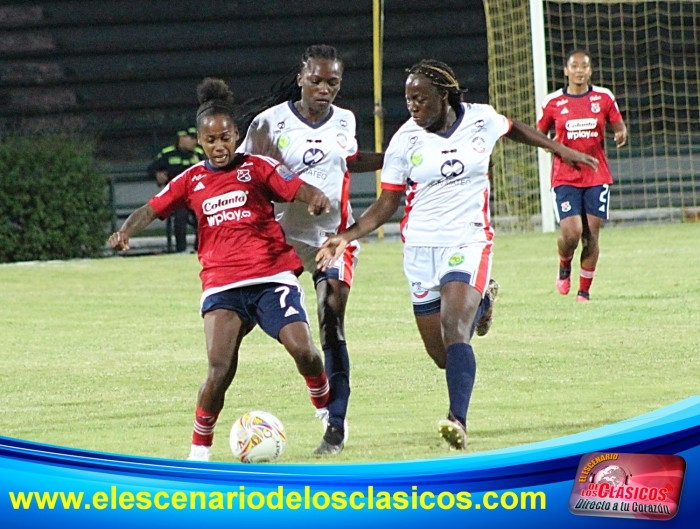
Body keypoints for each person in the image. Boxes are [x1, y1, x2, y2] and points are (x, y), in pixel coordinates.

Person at [316, 59, 598, 450]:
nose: (413, 106)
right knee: (443, 356)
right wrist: (344, 237)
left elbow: (514, 128)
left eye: (420, 98)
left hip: (468, 241)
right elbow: (386, 204)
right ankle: (484, 304)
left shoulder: (481, 118)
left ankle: (457, 421)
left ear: (444, 96)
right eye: (409, 99)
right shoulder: (405, 140)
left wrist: (559, 149)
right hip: (420, 250)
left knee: (455, 330)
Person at [109, 77, 334, 462]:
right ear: (200, 140)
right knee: (219, 369)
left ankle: (326, 407)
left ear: (236, 136)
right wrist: (126, 231)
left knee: (305, 351)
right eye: (211, 140)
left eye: (226, 138)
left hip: (271, 276)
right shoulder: (191, 180)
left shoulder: (257, 167)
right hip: (223, 285)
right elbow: (152, 207)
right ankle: (199, 450)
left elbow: (296, 186)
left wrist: (314, 197)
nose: (219, 146)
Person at [236, 45, 384, 455]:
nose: (324, 89)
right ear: (301, 77)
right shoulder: (269, 123)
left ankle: (335, 424)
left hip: (331, 238)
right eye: (316, 80)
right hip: (279, 238)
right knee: (238, 322)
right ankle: (203, 431)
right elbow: (247, 175)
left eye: (332, 82)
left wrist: (393, 160)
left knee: (330, 321)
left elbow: (348, 160)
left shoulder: (345, 119)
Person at [537, 49, 627, 302]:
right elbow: (539, 135)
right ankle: (564, 263)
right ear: (566, 70)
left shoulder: (603, 97)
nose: (579, 71)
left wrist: (620, 133)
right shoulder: (553, 102)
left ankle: (583, 293)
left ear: (590, 70)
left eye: (584, 66)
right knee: (572, 233)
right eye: (574, 66)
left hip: (596, 176)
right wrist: (555, 148)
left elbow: (619, 125)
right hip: (565, 177)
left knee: (591, 236)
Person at [147, 127, 205, 252]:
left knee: (203, 214)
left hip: (196, 195)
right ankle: (181, 250)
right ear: (181, 138)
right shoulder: (168, 153)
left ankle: (199, 249)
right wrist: (158, 175)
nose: (195, 141)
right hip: (176, 197)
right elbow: (151, 170)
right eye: (192, 138)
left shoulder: (199, 154)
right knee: (180, 215)